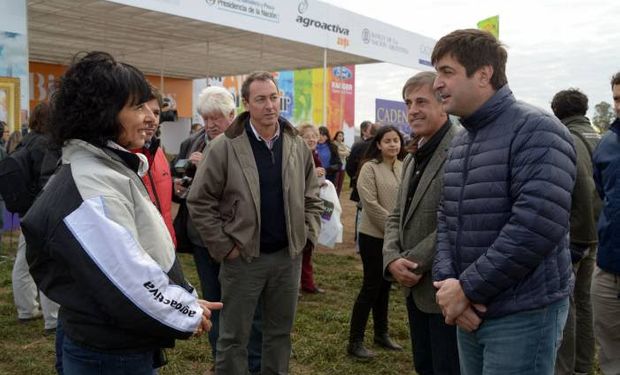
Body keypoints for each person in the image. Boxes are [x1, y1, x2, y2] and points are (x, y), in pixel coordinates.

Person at [20, 51, 221, 374]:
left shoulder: (107, 166)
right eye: (137, 107)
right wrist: (187, 311)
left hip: (115, 342)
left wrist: (185, 300)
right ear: (103, 113)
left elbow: (134, 255)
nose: (152, 117)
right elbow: (124, 277)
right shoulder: (93, 182)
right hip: (111, 352)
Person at [431, 29, 576, 374]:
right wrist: (448, 285)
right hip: (470, 312)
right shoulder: (462, 140)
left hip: (523, 313)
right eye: (437, 72)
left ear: (484, 74)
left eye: (446, 72)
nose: (437, 83)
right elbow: (447, 218)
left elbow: (535, 226)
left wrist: (466, 288)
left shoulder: (538, 131)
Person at [186, 71, 323, 374]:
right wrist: (225, 247)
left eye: (273, 97)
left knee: (279, 334)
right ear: (246, 103)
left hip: (287, 259)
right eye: (260, 99)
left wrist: (306, 237)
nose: (269, 105)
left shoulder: (296, 145)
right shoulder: (224, 146)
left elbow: (313, 196)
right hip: (243, 259)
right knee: (234, 337)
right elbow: (199, 201)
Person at [174, 86, 263, 373]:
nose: (211, 125)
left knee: (244, 304)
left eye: (217, 118)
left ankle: (250, 359)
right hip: (202, 239)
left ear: (231, 115)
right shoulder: (192, 143)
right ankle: (220, 360)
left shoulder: (244, 144)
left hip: (234, 240)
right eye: (206, 118)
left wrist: (204, 171)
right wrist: (180, 187)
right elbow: (187, 190)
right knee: (213, 302)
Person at [383, 72, 461, 374]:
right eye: (408, 103)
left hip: (444, 288)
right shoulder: (414, 155)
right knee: (424, 366)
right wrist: (391, 258)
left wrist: (412, 263)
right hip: (413, 290)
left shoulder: (460, 149)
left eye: (421, 101)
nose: (412, 109)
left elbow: (456, 220)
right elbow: (395, 214)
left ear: (443, 105)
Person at [550, 88, 601, 375]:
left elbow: (578, 187)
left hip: (576, 236)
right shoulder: (600, 136)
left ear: (557, 112)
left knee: (565, 306)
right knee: (584, 301)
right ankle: (583, 365)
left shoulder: (566, 138)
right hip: (596, 234)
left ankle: (565, 369)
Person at [347, 125, 405, 359]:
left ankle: (381, 333)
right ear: (378, 144)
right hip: (373, 236)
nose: (393, 144)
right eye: (388, 141)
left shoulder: (404, 166)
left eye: (396, 140)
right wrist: (394, 229)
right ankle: (355, 342)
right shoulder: (369, 168)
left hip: (395, 237)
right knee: (371, 286)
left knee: (385, 287)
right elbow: (369, 204)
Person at [10, 103, 60, 333]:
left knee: (23, 261)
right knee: (48, 262)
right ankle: (53, 318)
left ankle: (26, 309)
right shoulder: (45, 144)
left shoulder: (26, 140)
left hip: (25, 210)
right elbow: (47, 180)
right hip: (39, 210)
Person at [591, 72, 620, 375]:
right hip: (610, 267)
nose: (619, 106)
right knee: (611, 354)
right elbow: (604, 195)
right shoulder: (608, 143)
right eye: (616, 99)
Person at [132, 88, 177, 246]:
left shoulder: (158, 153)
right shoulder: (119, 157)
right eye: (143, 111)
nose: (152, 119)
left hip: (167, 247)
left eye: (157, 113)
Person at [298, 123, 327, 294]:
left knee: (308, 248)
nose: (311, 139)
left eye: (314, 136)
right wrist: (312, 175)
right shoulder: (298, 157)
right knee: (298, 249)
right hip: (300, 209)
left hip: (312, 207)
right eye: (307, 136)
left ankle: (308, 284)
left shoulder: (314, 156)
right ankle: (295, 287)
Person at [332, 130, 350, 195]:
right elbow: (337, 153)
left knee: (340, 183)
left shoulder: (343, 144)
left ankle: (338, 198)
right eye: (339, 136)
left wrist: (342, 152)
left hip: (343, 165)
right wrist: (344, 152)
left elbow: (348, 153)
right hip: (336, 166)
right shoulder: (333, 144)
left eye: (342, 136)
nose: (341, 137)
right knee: (335, 182)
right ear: (336, 136)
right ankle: (333, 197)